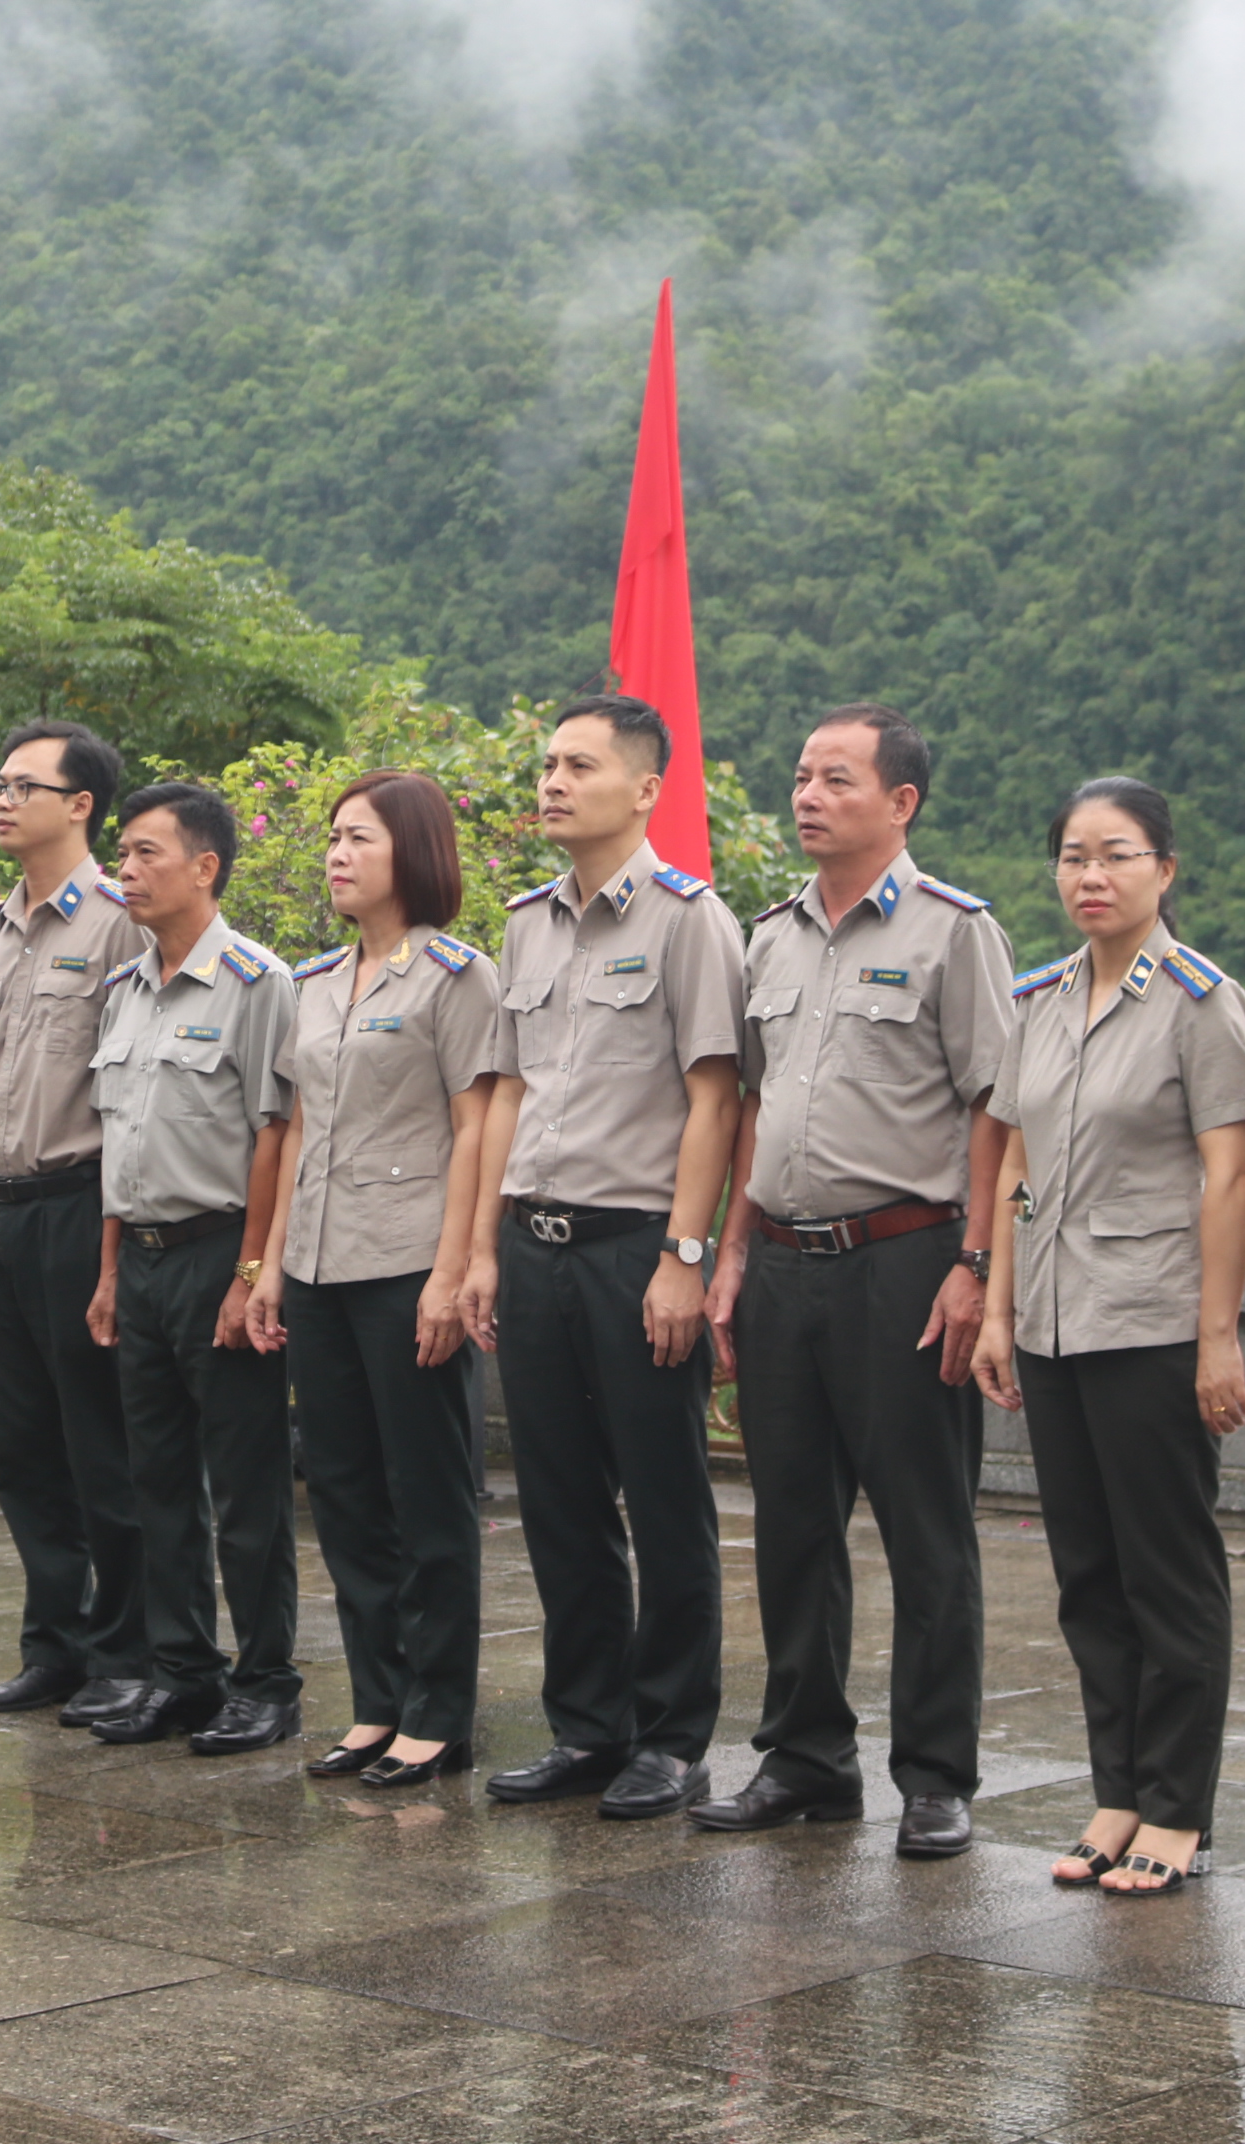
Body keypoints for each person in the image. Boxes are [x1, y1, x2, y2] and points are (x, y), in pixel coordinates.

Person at [698, 706, 1014, 1858]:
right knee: (790, 1522)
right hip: (784, 1261)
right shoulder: (768, 937)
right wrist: (731, 1254)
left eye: (837, 777)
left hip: (906, 1259)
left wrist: (975, 1265)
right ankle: (804, 1756)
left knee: (926, 1526)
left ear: (902, 802)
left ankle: (935, 1773)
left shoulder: (953, 932)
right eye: (801, 775)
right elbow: (753, 1108)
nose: (808, 793)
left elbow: (995, 1106)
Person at [971, 776, 1245, 1898]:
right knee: (1088, 1574)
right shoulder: (1036, 998)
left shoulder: (1201, 1001)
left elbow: (1231, 1176)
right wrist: (995, 1306)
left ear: (1165, 871)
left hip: (1149, 1320)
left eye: (1118, 856)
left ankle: (1179, 1809)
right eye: (1074, 857)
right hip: (1048, 1320)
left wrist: (1218, 1338)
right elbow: (1017, 1162)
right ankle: (1118, 1789)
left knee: (1168, 1573)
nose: (1091, 877)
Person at [474, 695, 746, 1821]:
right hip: (532, 1240)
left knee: (664, 1492)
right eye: (545, 762)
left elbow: (714, 1096)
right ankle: (589, 1725)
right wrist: (483, 1247)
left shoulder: (691, 920)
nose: (551, 780)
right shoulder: (526, 924)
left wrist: (684, 1256)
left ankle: (673, 1735)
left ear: (644, 789)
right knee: (557, 1497)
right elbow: (508, 1091)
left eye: (577, 764)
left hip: (635, 1243)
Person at [264, 768, 498, 1789]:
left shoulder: (455, 976)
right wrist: (268, 1266)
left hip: (408, 1263)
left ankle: (438, 1710)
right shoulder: (316, 983)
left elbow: (475, 1128)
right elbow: (300, 1128)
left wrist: (453, 1273)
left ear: (413, 849)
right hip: (317, 1260)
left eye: (358, 837)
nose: (337, 853)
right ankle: (376, 1699)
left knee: (427, 1492)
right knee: (346, 1490)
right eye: (331, 837)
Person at [0, 721, 157, 1723]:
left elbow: (132, 1098)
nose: (1, 798)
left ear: (81, 806)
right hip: (2, 1216)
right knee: (22, 1447)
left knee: (101, 1444)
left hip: (82, 1206)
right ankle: (53, 1643)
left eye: (24, 784)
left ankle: (130, 1648)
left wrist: (112, 1251)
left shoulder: (120, 923)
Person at [84, 780, 302, 1754]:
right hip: (143, 1257)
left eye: (143, 853)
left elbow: (274, 1134)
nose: (123, 871)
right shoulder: (122, 990)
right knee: (157, 1482)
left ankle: (266, 1680)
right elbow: (115, 1147)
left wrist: (253, 1272)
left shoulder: (258, 984)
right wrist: (107, 1272)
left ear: (205, 866)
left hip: (222, 1248)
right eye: (120, 854)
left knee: (246, 1485)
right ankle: (183, 1672)